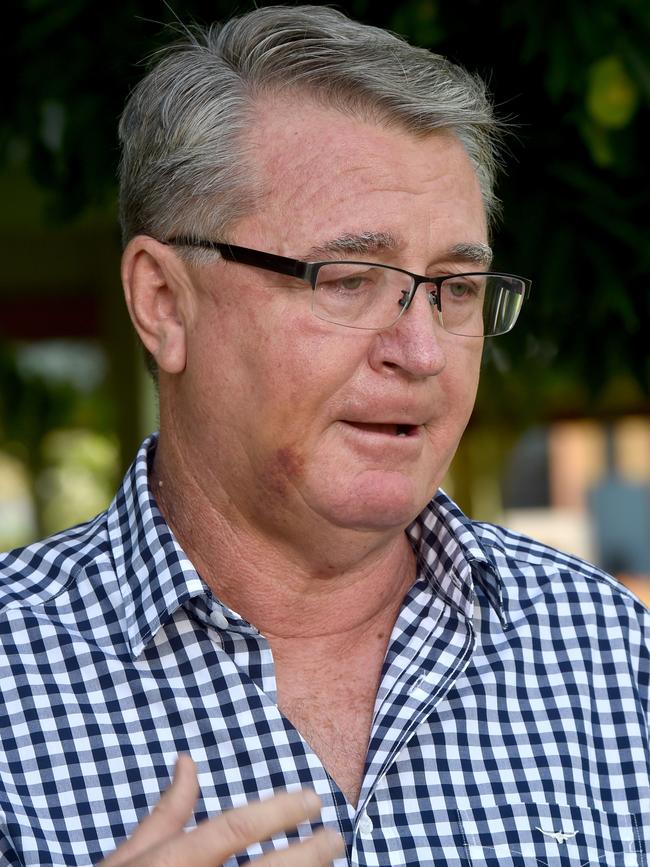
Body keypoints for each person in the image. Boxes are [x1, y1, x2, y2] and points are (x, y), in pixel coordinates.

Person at [1, 5, 648, 866]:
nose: (421, 352)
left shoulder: (610, 653)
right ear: (164, 302)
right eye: (348, 280)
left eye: (456, 288)